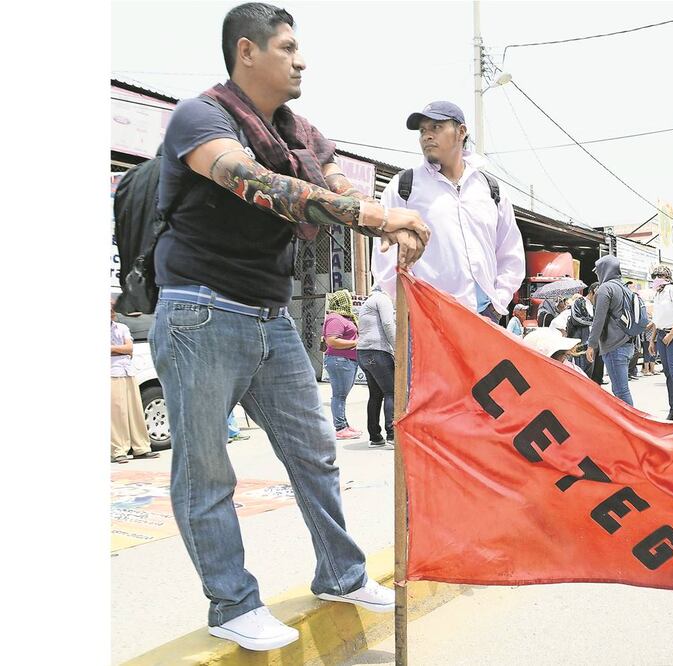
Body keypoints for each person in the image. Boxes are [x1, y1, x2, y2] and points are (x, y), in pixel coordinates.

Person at [149, 3, 422, 650]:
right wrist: (377, 217)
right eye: (288, 47)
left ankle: (340, 572)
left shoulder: (301, 134)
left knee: (315, 451)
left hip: (270, 317)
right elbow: (256, 184)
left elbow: (328, 188)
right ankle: (232, 604)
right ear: (247, 51)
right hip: (201, 309)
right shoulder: (201, 118)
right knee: (206, 470)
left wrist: (392, 222)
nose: (301, 60)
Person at [372, 100, 525, 320]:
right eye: (423, 130)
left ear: (461, 131)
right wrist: (412, 309)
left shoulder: (490, 189)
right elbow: (383, 256)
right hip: (429, 321)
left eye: (436, 127)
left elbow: (511, 254)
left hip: (486, 319)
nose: (427, 136)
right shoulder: (404, 186)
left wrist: (497, 303)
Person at [112, 299, 161, 464]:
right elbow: (125, 349)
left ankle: (141, 447)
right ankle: (118, 450)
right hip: (112, 373)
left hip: (128, 371)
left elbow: (129, 349)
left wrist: (113, 349)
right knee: (117, 414)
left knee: (135, 411)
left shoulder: (122, 327)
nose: (113, 312)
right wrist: (121, 350)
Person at [586, 256, 635, 406]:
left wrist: (591, 344)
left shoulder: (605, 289)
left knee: (621, 392)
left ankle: (632, 425)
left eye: (598, 271)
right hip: (628, 344)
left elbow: (598, 320)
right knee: (622, 390)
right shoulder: (624, 287)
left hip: (614, 346)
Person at [646, 265, 673, 420]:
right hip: (662, 335)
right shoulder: (658, 294)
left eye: (658, 277)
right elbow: (657, 319)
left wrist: (671, 334)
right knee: (668, 374)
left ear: (665, 277)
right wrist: (652, 340)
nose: (655, 280)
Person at [355, 285, 396, 449]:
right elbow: (388, 324)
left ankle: (375, 436)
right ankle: (392, 434)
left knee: (375, 394)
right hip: (377, 351)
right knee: (392, 392)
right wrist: (398, 347)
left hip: (363, 353)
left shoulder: (369, 301)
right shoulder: (382, 299)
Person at [323, 290, 361, 440]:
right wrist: (356, 342)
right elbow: (331, 340)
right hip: (340, 361)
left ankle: (343, 424)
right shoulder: (335, 318)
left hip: (345, 361)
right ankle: (340, 428)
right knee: (339, 395)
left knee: (341, 395)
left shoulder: (342, 317)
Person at [566, 287, 594, 373]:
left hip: (592, 342)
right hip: (581, 341)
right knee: (581, 368)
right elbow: (576, 319)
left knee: (591, 368)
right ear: (591, 292)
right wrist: (593, 322)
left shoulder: (597, 305)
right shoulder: (579, 302)